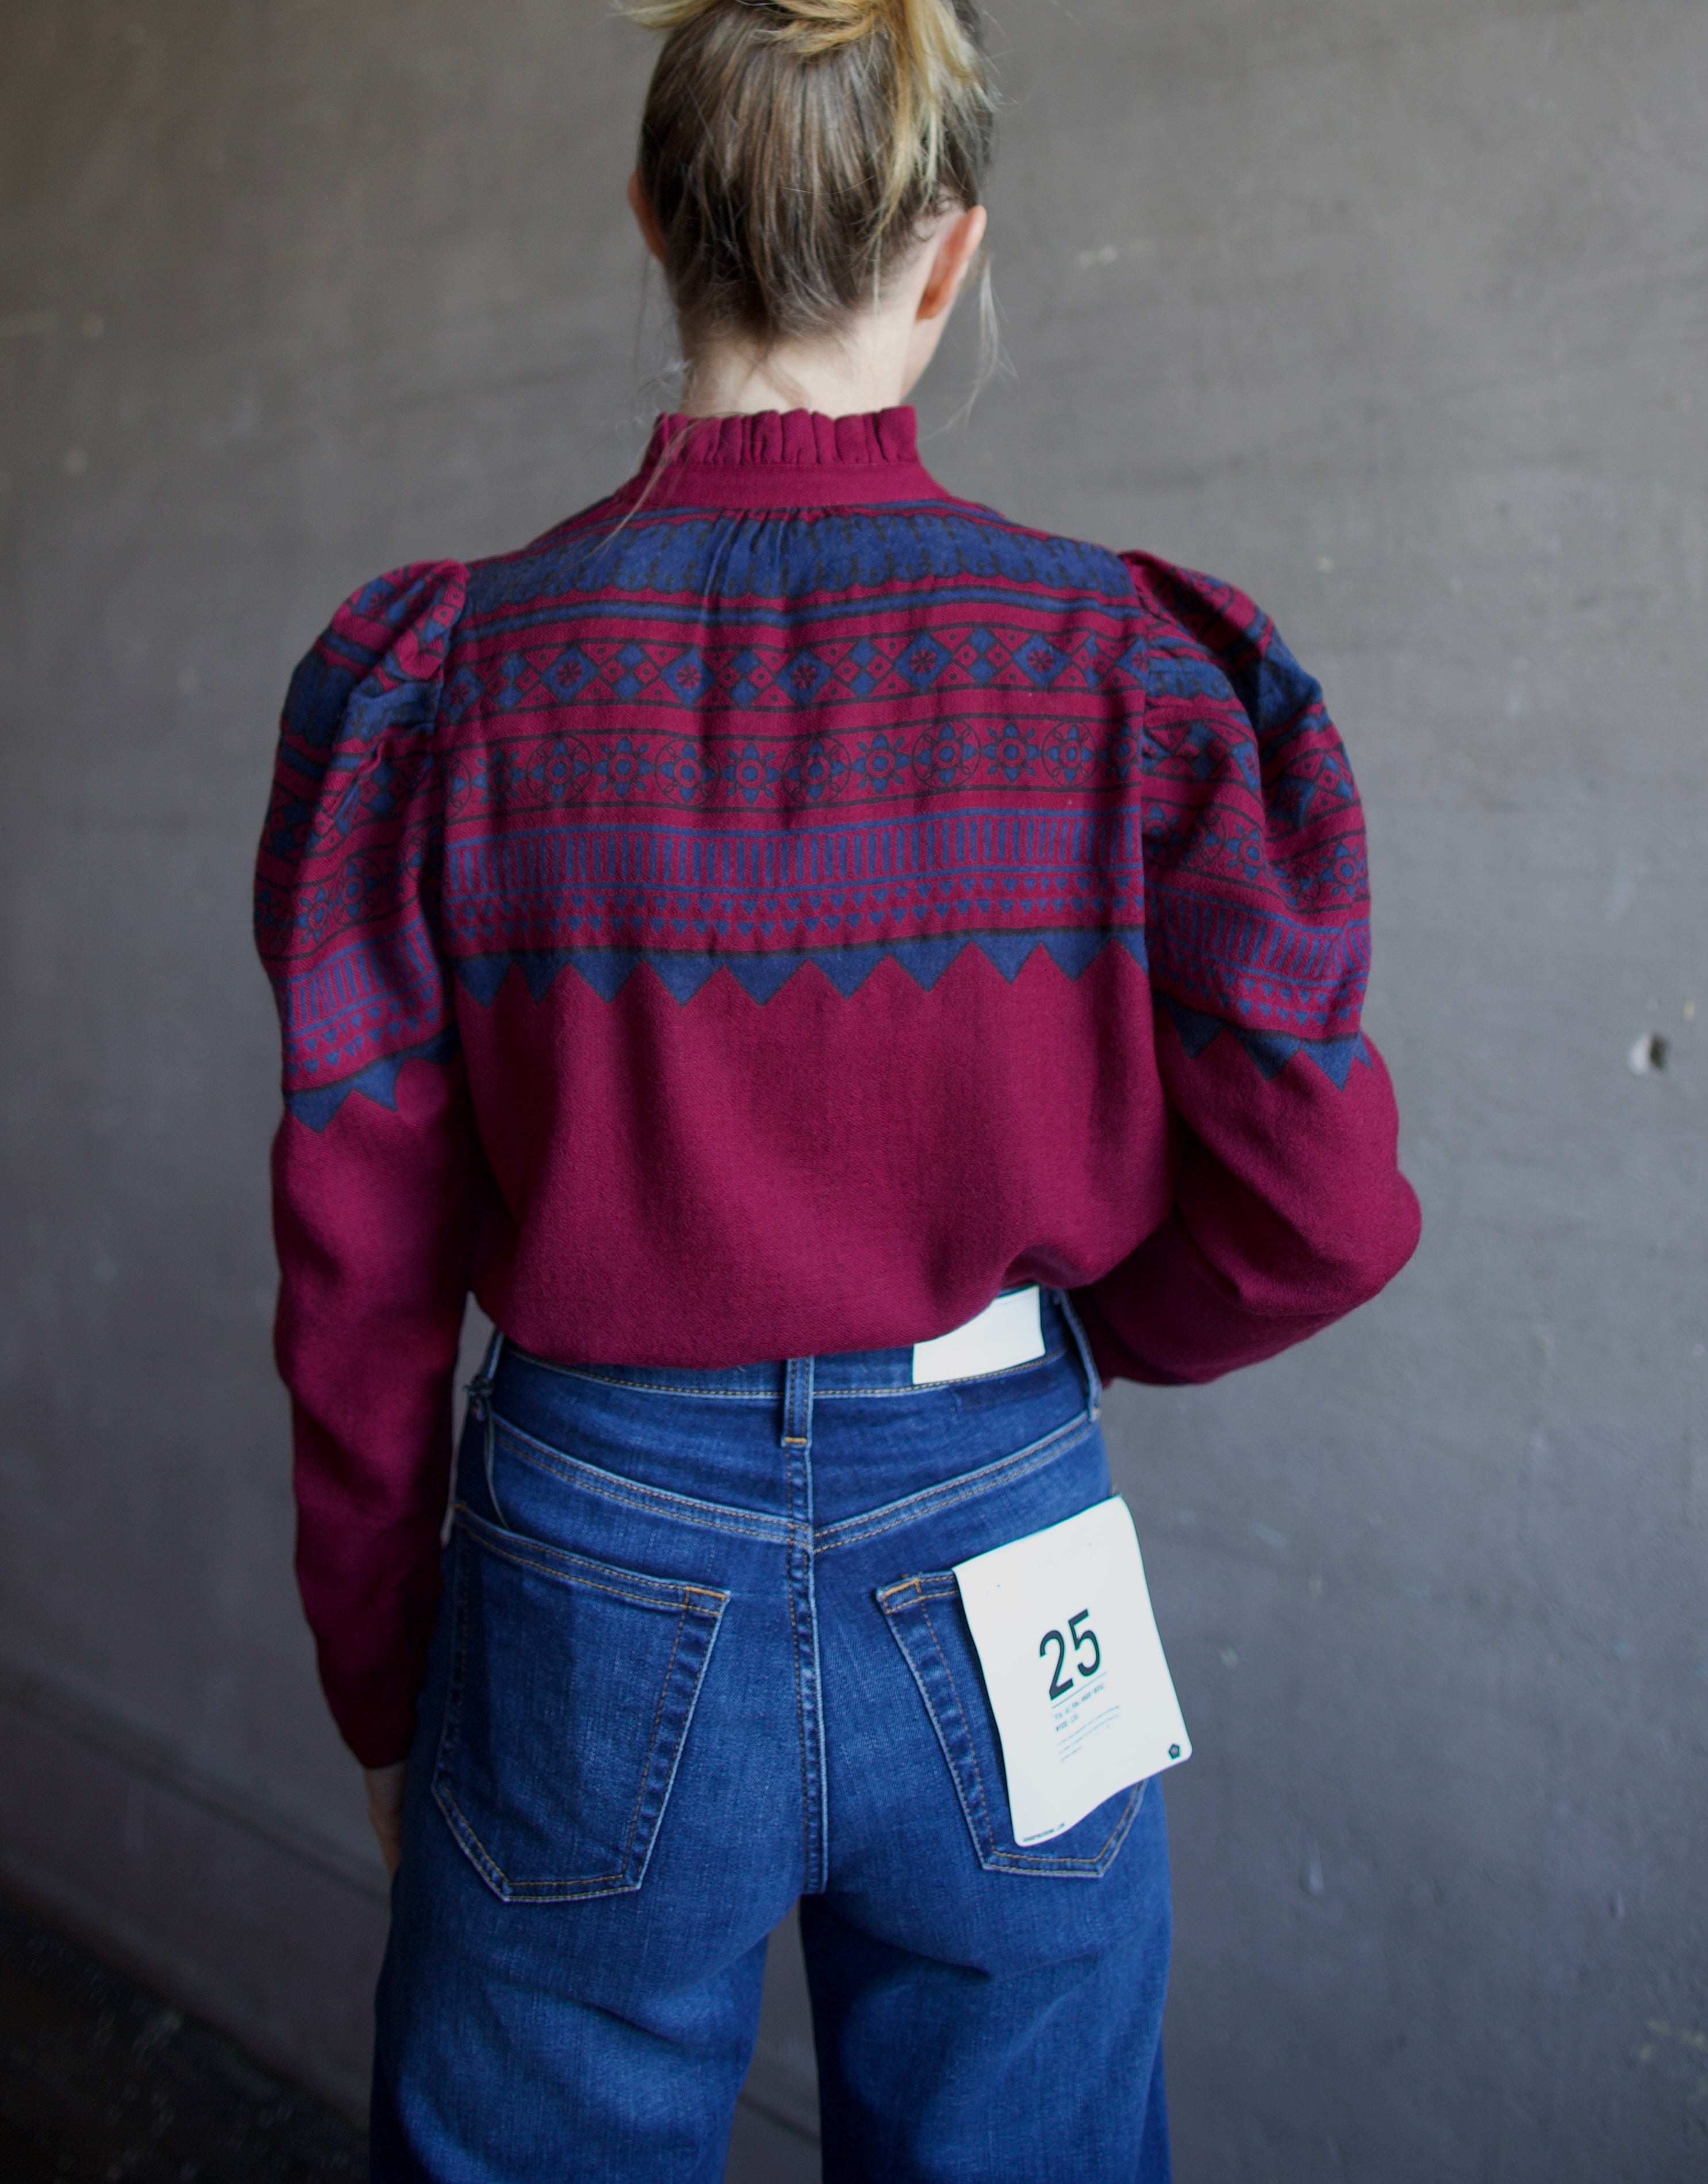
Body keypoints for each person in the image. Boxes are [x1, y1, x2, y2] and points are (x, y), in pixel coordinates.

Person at [254, 0, 1421, 2175]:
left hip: (589, 1552)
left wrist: (380, 1667)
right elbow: (1322, 1205)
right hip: (1005, 1519)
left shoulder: (456, 686)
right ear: (950, 253)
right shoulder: (1124, 678)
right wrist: (1066, 1349)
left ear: (648, 221)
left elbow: (357, 1265)